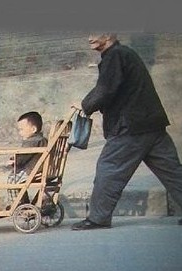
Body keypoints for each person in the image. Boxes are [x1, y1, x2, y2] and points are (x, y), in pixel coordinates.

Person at [71, 33, 182, 230]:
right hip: (152, 125)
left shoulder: (114, 56)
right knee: (173, 172)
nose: (89, 37)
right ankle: (99, 217)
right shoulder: (126, 54)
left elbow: (105, 89)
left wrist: (84, 105)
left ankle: (98, 218)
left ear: (110, 34)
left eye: (96, 32)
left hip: (130, 127)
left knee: (109, 169)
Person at [7, 111, 48, 203]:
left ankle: (16, 203)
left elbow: (23, 155)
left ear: (33, 129)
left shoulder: (32, 141)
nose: (19, 132)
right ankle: (24, 202)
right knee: (18, 181)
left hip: (32, 170)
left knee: (12, 181)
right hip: (41, 169)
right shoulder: (42, 140)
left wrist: (14, 161)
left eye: (21, 129)